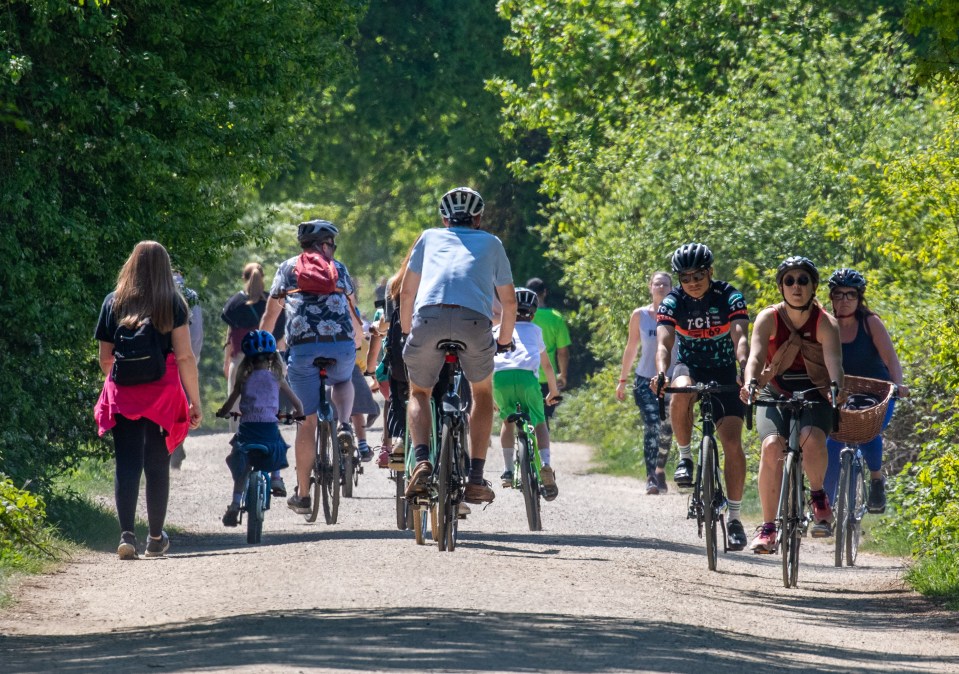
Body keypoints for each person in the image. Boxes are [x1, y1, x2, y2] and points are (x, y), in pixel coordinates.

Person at [401, 186, 517, 505]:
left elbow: (407, 294)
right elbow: (509, 302)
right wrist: (504, 341)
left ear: (444, 218)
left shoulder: (428, 237)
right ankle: (476, 479)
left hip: (428, 318)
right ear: (478, 218)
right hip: (475, 323)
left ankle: (423, 460)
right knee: (481, 393)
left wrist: (408, 331)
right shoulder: (492, 243)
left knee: (420, 392)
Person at [94, 240, 202, 559]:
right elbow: (184, 357)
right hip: (163, 395)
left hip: (123, 392)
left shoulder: (113, 302)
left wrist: (123, 382)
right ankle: (155, 538)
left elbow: (105, 358)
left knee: (127, 462)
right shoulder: (173, 303)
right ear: (164, 268)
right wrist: (194, 402)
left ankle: (127, 535)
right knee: (158, 463)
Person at [740, 256, 844, 553]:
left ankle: (818, 495)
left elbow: (834, 364)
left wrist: (836, 389)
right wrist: (750, 382)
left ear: (813, 287)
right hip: (776, 391)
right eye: (789, 281)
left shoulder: (825, 322)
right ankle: (768, 528)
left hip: (815, 392)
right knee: (771, 445)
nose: (796, 286)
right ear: (781, 287)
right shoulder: (768, 317)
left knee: (809, 438)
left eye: (803, 280)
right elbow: (757, 357)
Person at [651, 243, 750, 551]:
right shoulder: (673, 301)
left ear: (710, 272)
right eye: (685, 276)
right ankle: (685, 458)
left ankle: (734, 519)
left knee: (732, 445)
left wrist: (744, 368)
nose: (692, 282)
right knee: (680, 391)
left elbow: (740, 336)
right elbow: (664, 344)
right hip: (689, 365)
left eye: (698, 275)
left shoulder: (729, 296)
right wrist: (661, 374)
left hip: (724, 370)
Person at [260, 220, 359, 514]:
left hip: (302, 348)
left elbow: (269, 316)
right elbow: (354, 312)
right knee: (342, 380)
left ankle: (303, 496)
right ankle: (343, 424)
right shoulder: (338, 269)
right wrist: (359, 342)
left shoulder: (287, 269)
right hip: (340, 344)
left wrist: (262, 348)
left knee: (306, 423)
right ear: (326, 245)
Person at [823, 268, 909, 514]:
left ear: (859, 298)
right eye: (839, 294)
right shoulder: (826, 324)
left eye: (851, 294)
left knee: (869, 430)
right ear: (831, 298)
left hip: (878, 392)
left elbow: (891, 360)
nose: (845, 300)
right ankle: (825, 510)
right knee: (831, 444)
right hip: (841, 393)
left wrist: (898, 385)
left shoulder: (871, 323)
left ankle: (876, 480)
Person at [215, 330, 304, 526]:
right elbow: (297, 403)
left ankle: (235, 504)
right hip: (268, 427)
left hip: (248, 429)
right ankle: (276, 479)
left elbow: (229, 405)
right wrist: (299, 412)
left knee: (243, 465)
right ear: (273, 356)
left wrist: (222, 412)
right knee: (277, 444)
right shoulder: (277, 378)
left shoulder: (243, 379)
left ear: (247, 358)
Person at [495, 288, 562, 498]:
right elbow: (548, 366)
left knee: (507, 421)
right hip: (527, 379)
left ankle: (507, 470)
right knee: (539, 421)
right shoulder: (535, 330)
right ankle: (545, 464)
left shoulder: (496, 331)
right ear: (533, 314)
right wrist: (553, 391)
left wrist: (489, 396)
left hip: (500, 379)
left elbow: (486, 364)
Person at [616, 271, 677, 495]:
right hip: (645, 380)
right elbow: (631, 348)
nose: (661, 287)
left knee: (668, 428)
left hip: (671, 380)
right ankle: (651, 476)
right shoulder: (639, 315)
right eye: (657, 284)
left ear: (672, 288)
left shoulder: (679, 314)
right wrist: (622, 380)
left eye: (665, 284)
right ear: (650, 286)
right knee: (652, 424)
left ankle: (660, 468)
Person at [221, 263, 285, 431]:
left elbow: (230, 336)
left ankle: (237, 437)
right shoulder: (271, 304)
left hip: (240, 357)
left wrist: (227, 361)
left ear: (244, 278)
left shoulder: (234, 303)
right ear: (263, 277)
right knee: (266, 398)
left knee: (235, 400)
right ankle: (265, 431)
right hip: (266, 359)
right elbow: (279, 338)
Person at [526, 277, 571, 421]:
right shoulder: (556, 317)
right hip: (547, 377)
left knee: (525, 416)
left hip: (525, 372)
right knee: (543, 417)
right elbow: (562, 352)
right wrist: (562, 375)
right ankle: (543, 442)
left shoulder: (522, 316)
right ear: (544, 292)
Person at [170, 271, 203, 470]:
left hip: (159, 360)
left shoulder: (153, 292)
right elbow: (197, 334)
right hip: (184, 359)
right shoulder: (190, 295)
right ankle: (177, 444)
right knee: (182, 405)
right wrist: (193, 361)